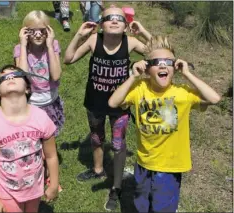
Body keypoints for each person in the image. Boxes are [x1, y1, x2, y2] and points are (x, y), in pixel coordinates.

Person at [108, 36, 221, 212]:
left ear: (175, 68)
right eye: (156, 62)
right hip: (144, 163)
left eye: (168, 62)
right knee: (141, 206)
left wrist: (188, 74)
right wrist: (133, 76)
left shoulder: (182, 93)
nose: (162, 65)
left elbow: (214, 98)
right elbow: (113, 103)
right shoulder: (139, 88)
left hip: (169, 167)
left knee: (163, 208)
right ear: (146, 68)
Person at [64, 6, 152, 211]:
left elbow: (161, 52)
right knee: (96, 137)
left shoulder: (130, 42)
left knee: (119, 143)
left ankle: (117, 186)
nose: (114, 21)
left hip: (120, 103)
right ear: (101, 24)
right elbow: (68, 59)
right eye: (109, 18)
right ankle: (97, 169)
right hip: (95, 101)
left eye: (119, 18)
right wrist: (79, 35)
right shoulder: (95, 41)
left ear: (126, 25)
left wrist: (144, 32)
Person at [0, 65, 59, 213]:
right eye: (4, 77)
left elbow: (51, 155)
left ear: (27, 88)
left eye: (15, 75)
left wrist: (54, 184)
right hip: (7, 191)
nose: (10, 77)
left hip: (35, 187)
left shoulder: (41, 117)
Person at [14, 10, 64, 192]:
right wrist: (22, 44)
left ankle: (52, 179)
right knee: (33, 144)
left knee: (49, 144)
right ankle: (38, 175)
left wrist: (50, 46)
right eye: (32, 30)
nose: (37, 34)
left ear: (49, 31)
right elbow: (22, 78)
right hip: (31, 104)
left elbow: (56, 75)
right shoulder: (20, 50)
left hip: (50, 103)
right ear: (24, 31)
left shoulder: (53, 45)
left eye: (42, 30)